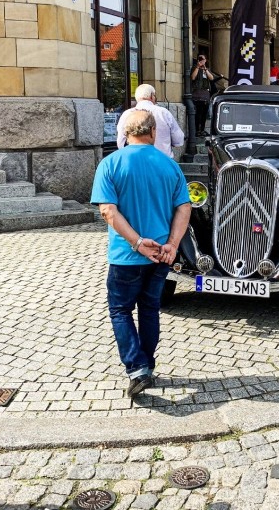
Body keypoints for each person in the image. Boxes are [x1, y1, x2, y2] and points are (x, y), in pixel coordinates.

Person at [91, 110, 192, 397]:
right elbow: (184, 207)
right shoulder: (170, 166)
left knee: (121, 310)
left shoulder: (110, 164)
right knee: (149, 309)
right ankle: (145, 364)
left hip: (126, 255)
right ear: (152, 132)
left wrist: (136, 242)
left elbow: (108, 210)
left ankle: (137, 368)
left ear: (125, 133)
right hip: (160, 254)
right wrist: (172, 244)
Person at [117, 84, 185, 158]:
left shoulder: (127, 114)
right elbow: (178, 139)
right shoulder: (163, 112)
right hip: (162, 160)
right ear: (152, 96)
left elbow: (120, 141)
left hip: (135, 160)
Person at [190, 55, 215, 136]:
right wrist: (197, 67)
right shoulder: (195, 68)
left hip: (205, 96)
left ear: (205, 60)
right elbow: (193, 77)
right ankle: (197, 130)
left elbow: (211, 78)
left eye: (203, 59)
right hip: (197, 95)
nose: (201, 61)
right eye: (200, 59)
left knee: (204, 115)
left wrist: (205, 69)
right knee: (198, 114)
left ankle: (203, 130)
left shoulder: (206, 69)